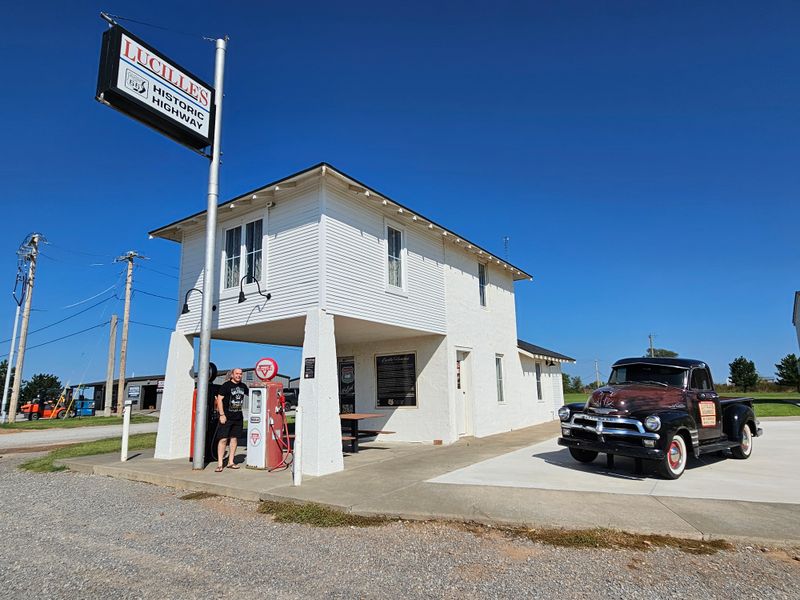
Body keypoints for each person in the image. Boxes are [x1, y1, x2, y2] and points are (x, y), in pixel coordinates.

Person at [214, 368, 248, 472]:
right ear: (232, 375)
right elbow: (219, 399)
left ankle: (231, 462)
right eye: (237, 373)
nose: (239, 375)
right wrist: (222, 414)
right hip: (226, 417)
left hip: (238, 417)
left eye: (240, 374)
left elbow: (255, 393)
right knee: (223, 439)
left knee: (234, 439)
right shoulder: (226, 385)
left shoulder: (243, 386)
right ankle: (220, 463)